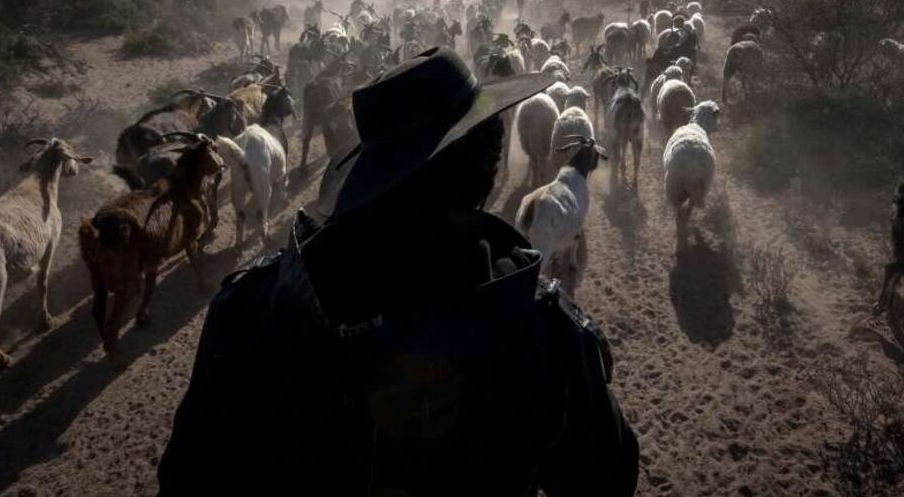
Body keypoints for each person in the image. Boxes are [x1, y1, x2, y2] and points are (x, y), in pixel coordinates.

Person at [158, 47, 639, 496]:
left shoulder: (248, 310)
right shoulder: (539, 331)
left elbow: (186, 479)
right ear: (490, 172)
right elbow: (609, 477)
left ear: (367, 178)